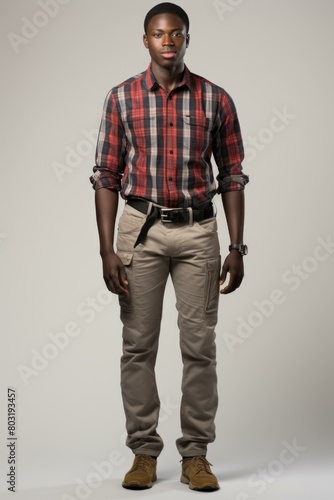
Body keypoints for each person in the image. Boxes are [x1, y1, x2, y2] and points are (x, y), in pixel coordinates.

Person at [90, 2, 249, 492]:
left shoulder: (215, 99)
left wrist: (238, 247)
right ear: (145, 40)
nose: (168, 41)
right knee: (138, 346)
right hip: (139, 230)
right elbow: (105, 176)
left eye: (176, 33)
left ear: (186, 39)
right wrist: (106, 250)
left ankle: (196, 456)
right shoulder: (120, 98)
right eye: (158, 33)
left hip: (199, 231)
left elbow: (233, 175)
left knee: (199, 348)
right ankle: (143, 452)